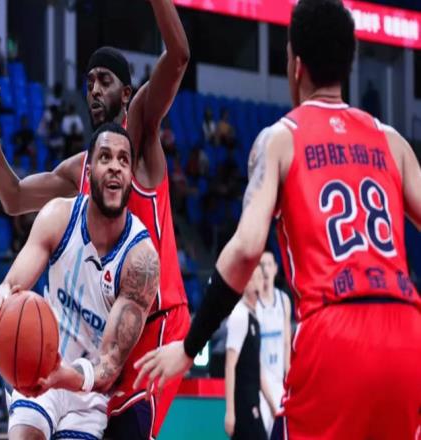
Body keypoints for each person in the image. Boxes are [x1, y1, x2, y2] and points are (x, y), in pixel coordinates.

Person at [133, 1, 421, 439]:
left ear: (296, 64)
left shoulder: (281, 140)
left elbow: (247, 248)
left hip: (335, 329)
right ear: (348, 65)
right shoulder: (392, 141)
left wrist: (190, 346)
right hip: (407, 333)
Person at [0, 1, 190, 437]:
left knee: (123, 431)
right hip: (105, 325)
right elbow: (13, 197)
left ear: (128, 93)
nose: (94, 90)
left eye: (105, 81)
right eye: (89, 83)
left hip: (156, 318)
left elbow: (178, 56)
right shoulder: (81, 168)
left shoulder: (141, 134)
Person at [0, 123, 159, 440]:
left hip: (87, 390)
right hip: (41, 369)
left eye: (123, 160)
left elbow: (109, 365)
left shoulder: (141, 260)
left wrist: (65, 374)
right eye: (105, 157)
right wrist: (0, 301)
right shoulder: (58, 216)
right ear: (89, 171)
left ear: (130, 178)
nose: (115, 166)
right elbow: (10, 286)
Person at [225, 265, 277, 440]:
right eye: (252, 278)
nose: (257, 283)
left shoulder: (254, 316)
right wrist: (230, 412)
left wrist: (272, 405)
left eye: (260, 278)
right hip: (243, 404)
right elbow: (230, 365)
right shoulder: (239, 315)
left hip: (254, 401)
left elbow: (258, 369)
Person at [256, 250, 291, 437]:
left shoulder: (284, 301)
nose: (266, 269)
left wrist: (289, 381)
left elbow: (287, 343)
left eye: (269, 264)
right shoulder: (253, 304)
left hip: (280, 384)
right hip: (259, 388)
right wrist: (270, 400)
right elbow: (253, 355)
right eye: (261, 265)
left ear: (276, 269)